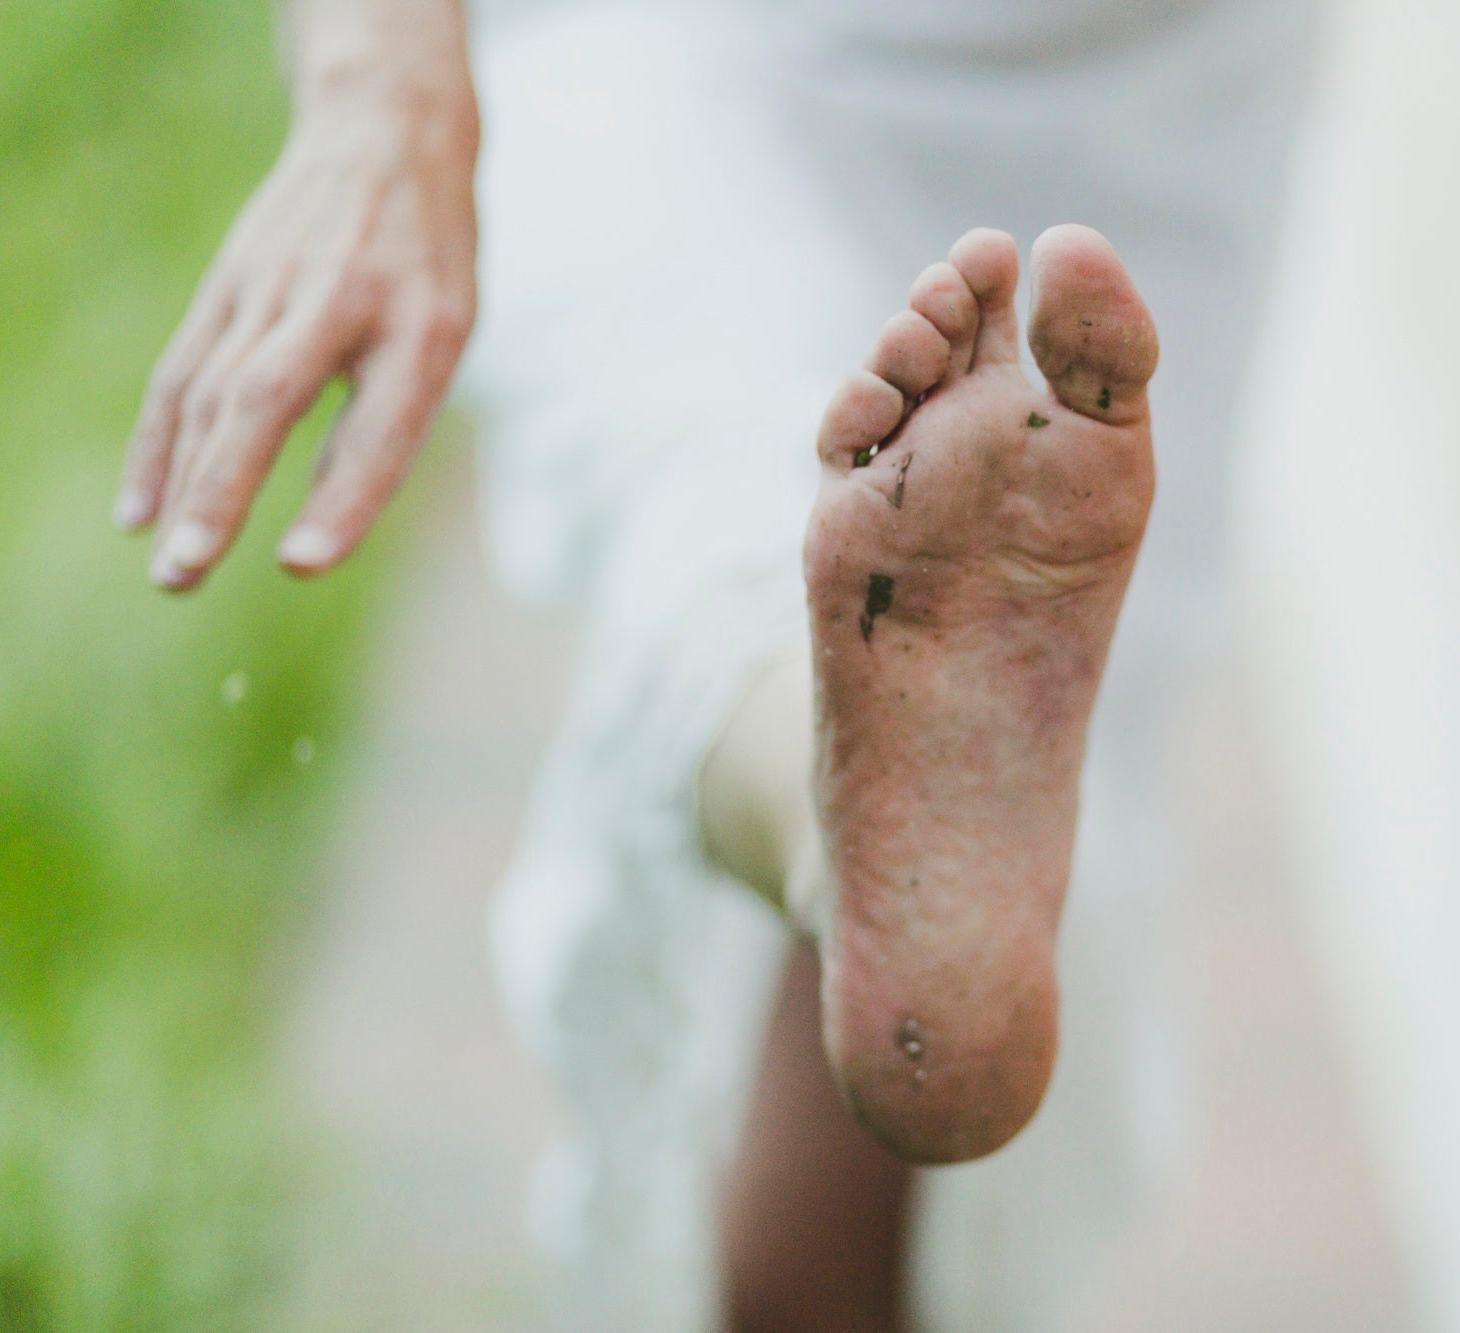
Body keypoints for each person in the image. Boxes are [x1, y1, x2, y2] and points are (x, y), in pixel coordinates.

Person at [116, 0, 1314, 1327]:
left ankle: (830, 824)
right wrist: (379, 85)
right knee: (881, 1125)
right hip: (1100, 75)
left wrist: (376, 84)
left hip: (768, 56)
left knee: (716, 488)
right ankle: (862, 836)